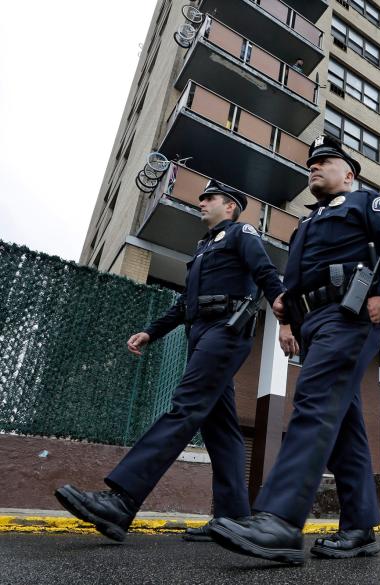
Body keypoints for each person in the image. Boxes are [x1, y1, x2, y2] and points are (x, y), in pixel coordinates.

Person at [208, 135, 380, 564]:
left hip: (351, 314)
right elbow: (295, 276)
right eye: (311, 165)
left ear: (348, 173)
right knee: (345, 424)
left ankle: (280, 521)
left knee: (314, 402)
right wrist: (285, 316)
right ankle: (358, 527)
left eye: (324, 162)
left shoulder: (365, 203)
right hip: (314, 323)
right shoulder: (308, 222)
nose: (313, 168)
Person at [55, 181, 286, 542]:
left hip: (226, 331)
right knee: (220, 429)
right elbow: (184, 304)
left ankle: (122, 499)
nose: (201, 203)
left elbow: (265, 272)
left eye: (209, 198)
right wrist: (151, 331)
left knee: (185, 406)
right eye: (202, 198)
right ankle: (235, 518)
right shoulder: (202, 249)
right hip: (202, 334)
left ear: (230, 206)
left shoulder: (241, 233)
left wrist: (282, 311)